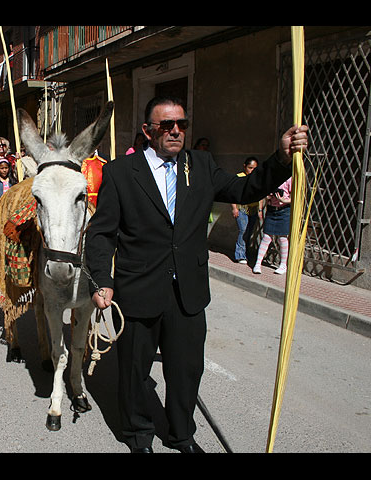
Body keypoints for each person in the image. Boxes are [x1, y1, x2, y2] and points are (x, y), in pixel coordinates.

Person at [85, 95, 308, 453]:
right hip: (138, 289)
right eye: (166, 125)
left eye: (182, 125)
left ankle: (181, 433)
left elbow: (244, 188)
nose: (176, 132)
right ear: (148, 130)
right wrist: (102, 280)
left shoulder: (201, 165)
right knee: (133, 371)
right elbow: (101, 233)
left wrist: (282, 157)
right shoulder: (121, 172)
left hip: (187, 292)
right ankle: (138, 433)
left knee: (186, 370)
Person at [252, 177, 293, 275]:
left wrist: (284, 200)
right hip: (271, 209)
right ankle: (258, 263)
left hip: (284, 210)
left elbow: (296, 197)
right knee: (266, 237)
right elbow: (264, 192)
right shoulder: (273, 178)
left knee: (282, 238)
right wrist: (268, 196)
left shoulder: (290, 179)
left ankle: (283, 265)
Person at [231, 156, 264, 264]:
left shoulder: (258, 179)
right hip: (242, 209)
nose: (252, 170)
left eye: (255, 168)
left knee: (249, 232)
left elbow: (261, 195)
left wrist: (260, 210)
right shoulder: (239, 177)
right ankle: (240, 255)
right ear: (245, 166)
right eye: (250, 168)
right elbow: (233, 194)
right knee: (243, 231)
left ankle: (245, 252)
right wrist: (234, 208)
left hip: (253, 209)